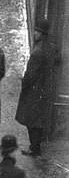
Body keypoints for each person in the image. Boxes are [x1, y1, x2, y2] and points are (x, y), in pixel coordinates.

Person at [16, 20, 56, 157]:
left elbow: (30, 75)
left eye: (37, 32)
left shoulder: (37, 52)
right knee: (37, 119)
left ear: (42, 34)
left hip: (34, 90)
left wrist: (24, 83)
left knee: (31, 120)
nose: (34, 34)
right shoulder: (50, 47)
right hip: (45, 88)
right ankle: (36, 146)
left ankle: (34, 148)